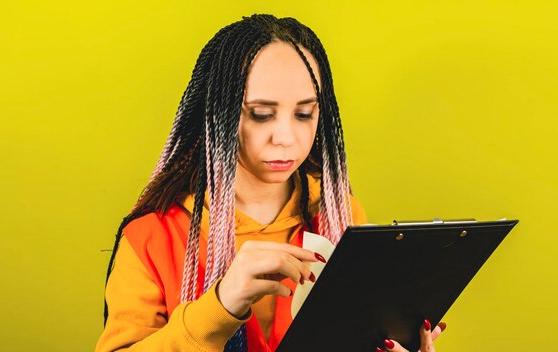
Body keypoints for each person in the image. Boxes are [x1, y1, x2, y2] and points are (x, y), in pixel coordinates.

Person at [95, 14, 445, 352]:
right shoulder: (152, 237)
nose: (286, 137)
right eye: (262, 114)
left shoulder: (340, 217)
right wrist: (220, 307)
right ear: (219, 115)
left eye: (304, 113)